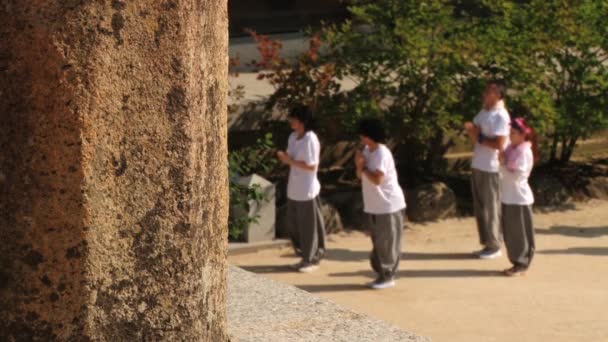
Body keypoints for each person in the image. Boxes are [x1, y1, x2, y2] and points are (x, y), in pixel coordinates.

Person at [354, 118, 406, 289]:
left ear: (370, 135)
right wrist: (359, 167)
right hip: (374, 204)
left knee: (387, 242)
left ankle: (388, 275)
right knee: (378, 242)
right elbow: (360, 175)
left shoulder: (382, 153)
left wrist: (362, 167)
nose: (361, 138)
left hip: (388, 204)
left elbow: (378, 179)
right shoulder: (368, 151)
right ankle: (381, 273)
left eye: (363, 135)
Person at [464, 81, 511, 259]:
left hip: (491, 167)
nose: (485, 93)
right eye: (486, 90)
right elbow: (473, 131)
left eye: (490, 91)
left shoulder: (501, 115)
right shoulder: (484, 112)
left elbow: (499, 144)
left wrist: (478, 136)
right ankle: (486, 243)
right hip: (478, 163)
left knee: (491, 207)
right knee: (480, 207)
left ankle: (495, 244)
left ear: (499, 95)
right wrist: (474, 133)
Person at [276, 105, 326, 273]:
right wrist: (284, 158)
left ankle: (311, 258)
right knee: (295, 226)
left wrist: (289, 161)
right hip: (294, 188)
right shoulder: (293, 137)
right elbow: (291, 159)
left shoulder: (310, 139)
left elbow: (311, 166)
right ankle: (304, 255)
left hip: (307, 190)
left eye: (293, 118)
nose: (290, 121)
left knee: (309, 227)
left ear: (301, 121)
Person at [499, 117, 537, 276]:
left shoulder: (524, 151)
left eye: (513, 133)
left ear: (522, 135)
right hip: (508, 196)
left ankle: (521, 263)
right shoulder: (511, 150)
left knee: (519, 233)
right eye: (510, 132)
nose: (510, 135)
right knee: (510, 233)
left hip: (519, 198)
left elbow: (517, 176)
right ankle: (517, 262)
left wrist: (502, 163)